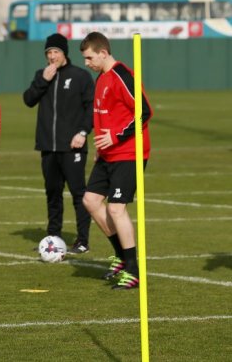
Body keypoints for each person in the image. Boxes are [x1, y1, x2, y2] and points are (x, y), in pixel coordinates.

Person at [79, 31, 153, 289]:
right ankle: (122, 257)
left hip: (129, 153)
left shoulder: (123, 75)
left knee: (116, 208)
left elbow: (144, 111)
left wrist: (116, 136)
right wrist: (101, 143)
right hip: (108, 154)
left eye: (89, 57)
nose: (87, 63)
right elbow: (102, 116)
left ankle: (133, 270)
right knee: (90, 200)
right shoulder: (101, 79)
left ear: (103, 52)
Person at [23, 33, 94, 254]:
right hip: (48, 146)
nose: (52, 57)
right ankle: (53, 238)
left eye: (56, 52)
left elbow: (91, 109)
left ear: (64, 53)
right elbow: (28, 100)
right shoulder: (41, 75)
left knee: (78, 194)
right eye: (49, 53)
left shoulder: (80, 76)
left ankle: (82, 240)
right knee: (52, 193)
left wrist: (83, 133)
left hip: (72, 147)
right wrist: (43, 80)